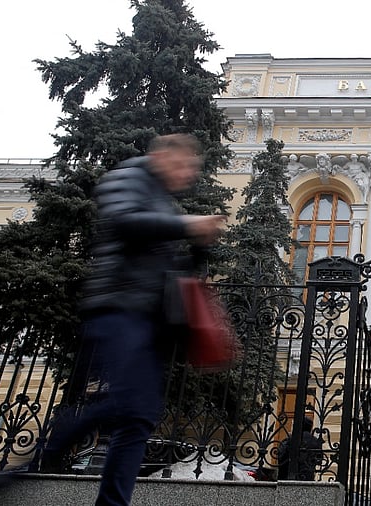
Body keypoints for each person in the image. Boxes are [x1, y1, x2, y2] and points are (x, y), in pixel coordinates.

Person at [39, 134, 226, 505]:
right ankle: (43, 457)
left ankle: (111, 501)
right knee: (129, 406)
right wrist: (187, 225)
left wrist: (199, 248)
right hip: (117, 307)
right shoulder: (129, 176)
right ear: (161, 156)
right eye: (183, 164)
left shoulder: (164, 202)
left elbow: (174, 267)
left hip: (149, 317)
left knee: (139, 416)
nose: (188, 173)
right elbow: (124, 221)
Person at [277, 416, 323, 481]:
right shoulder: (315, 441)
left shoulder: (291, 439)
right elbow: (319, 459)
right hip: (307, 476)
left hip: (288, 475)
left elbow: (281, 455)